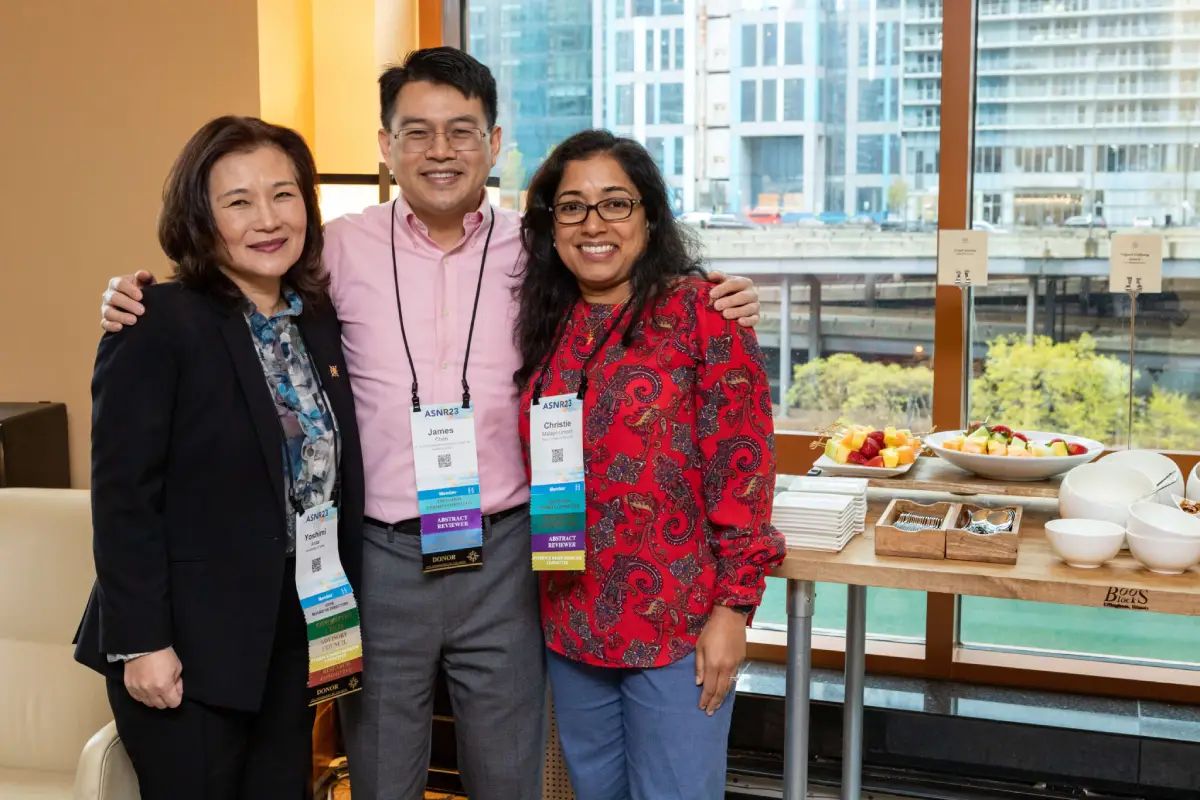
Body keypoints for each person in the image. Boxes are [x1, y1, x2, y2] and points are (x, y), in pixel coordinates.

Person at [97, 48, 760, 800]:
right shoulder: (333, 249)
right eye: (416, 132)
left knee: (509, 777)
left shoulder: (540, 248)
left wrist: (715, 293)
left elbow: (625, 273)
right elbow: (239, 297)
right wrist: (130, 297)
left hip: (509, 554)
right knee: (379, 775)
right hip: (374, 561)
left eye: (460, 131)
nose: (439, 151)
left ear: (494, 142)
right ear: (385, 146)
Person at [75, 116, 365, 799]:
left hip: (290, 634)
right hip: (186, 648)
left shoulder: (317, 319)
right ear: (201, 219)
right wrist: (142, 642)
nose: (267, 219)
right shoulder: (156, 321)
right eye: (238, 202)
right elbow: (123, 498)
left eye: (283, 194)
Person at [515, 130, 786, 800]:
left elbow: (743, 468)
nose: (594, 224)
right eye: (572, 207)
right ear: (552, 227)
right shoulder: (544, 321)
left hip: (679, 626)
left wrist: (733, 609)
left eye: (616, 203)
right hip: (571, 620)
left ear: (649, 216)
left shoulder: (704, 314)